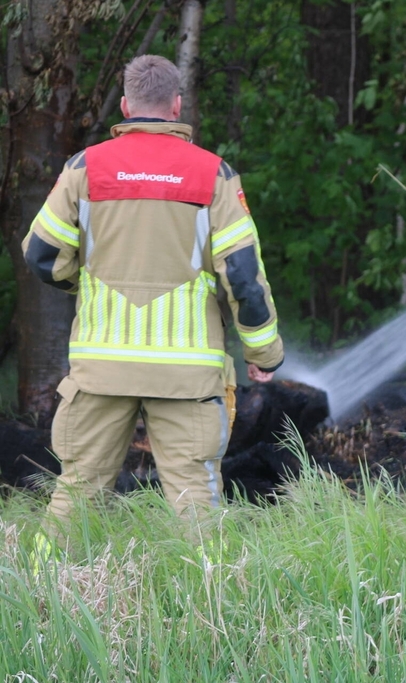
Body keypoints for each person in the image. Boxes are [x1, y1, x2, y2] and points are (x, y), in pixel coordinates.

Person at [22, 55, 285, 554]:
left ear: (125, 105)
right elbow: (245, 280)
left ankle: (38, 600)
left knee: (76, 493)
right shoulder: (215, 174)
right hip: (186, 376)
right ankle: (212, 613)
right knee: (197, 503)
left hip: (102, 369)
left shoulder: (84, 168)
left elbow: (40, 256)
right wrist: (263, 352)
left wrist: (88, 285)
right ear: (177, 105)